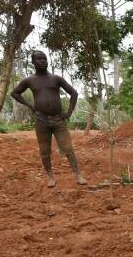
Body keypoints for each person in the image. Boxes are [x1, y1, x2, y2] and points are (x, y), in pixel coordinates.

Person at [10, 50, 88, 187]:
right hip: (41, 121)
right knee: (44, 151)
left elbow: (73, 93)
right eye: (39, 59)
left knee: (68, 148)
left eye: (44, 58)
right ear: (33, 62)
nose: (42, 61)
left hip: (58, 121)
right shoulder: (29, 80)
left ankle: (78, 174)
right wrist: (30, 105)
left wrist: (68, 113)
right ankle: (51, 177)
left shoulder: (56, 78)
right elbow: (15, 93)